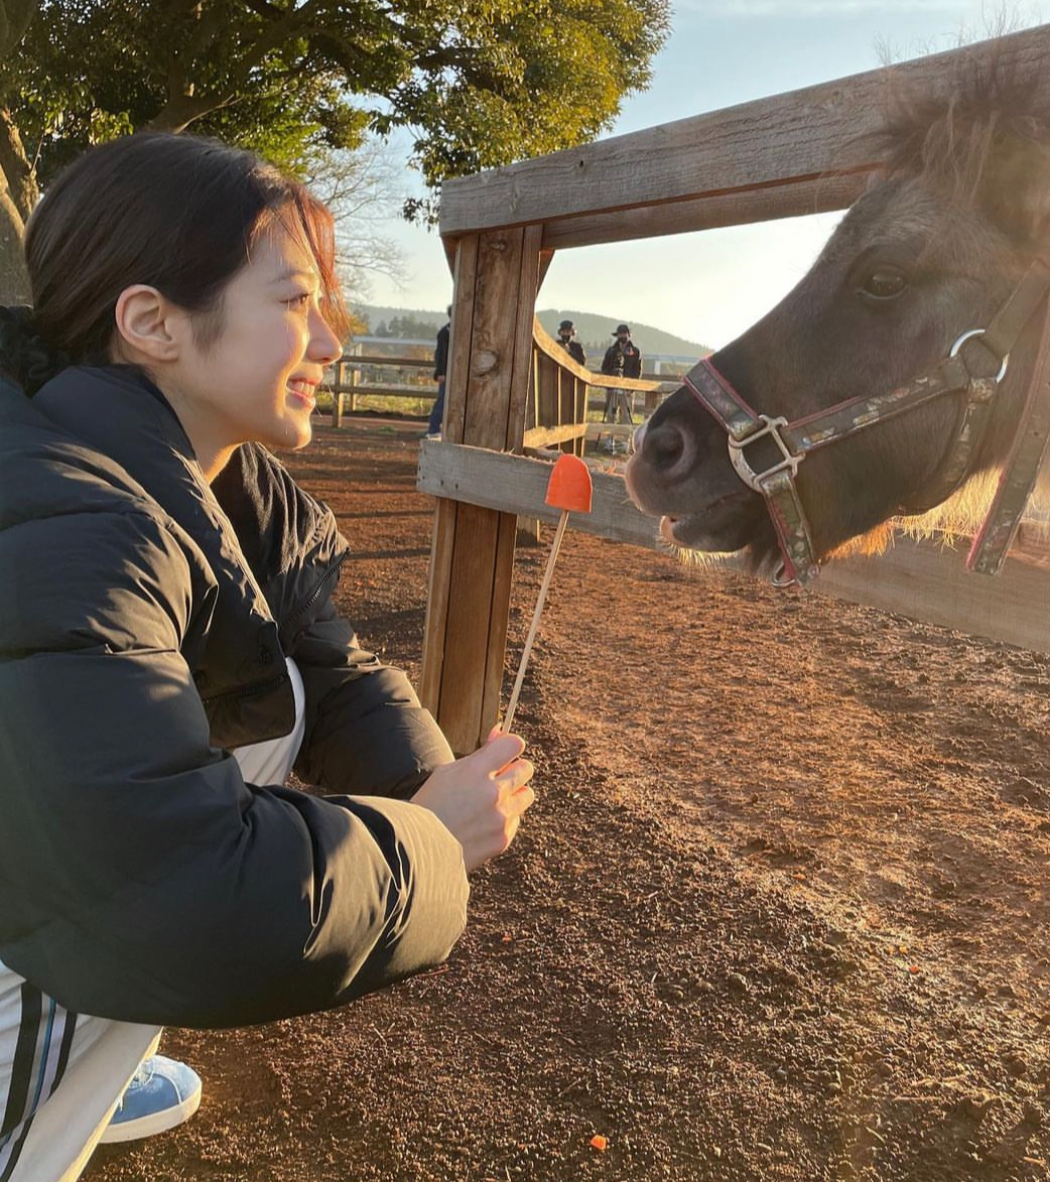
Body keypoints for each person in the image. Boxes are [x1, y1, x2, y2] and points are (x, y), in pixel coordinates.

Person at [0, 133, 535, 1182]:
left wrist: (418, 773)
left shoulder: (217, 487)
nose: (331, 344)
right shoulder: (80, 522)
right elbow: (176, 899)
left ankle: (98, 1054)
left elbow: (315, 664)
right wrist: (426, 839)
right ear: (152, 321)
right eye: (295, 302)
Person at [600, 324, 642, 424]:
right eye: (620, 334)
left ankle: (626, 438)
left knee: (626, 415)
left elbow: (637, 371)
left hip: (627, 388)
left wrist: (632, 388)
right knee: (611, 414)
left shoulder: (635, 352)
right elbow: (604, 368)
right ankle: (609, 437)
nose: (622, 336)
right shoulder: (611, 351)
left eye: (624, 334)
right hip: (612, 386)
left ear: (628, 335)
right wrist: (609, 383)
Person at [425, 307, 450, 438]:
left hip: (447, 372)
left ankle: (435, 427)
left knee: (444, 399)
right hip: (446, 373)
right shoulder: (446, 333)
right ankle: (434, 428)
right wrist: (441, 372)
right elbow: (441, 354)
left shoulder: (447, 331)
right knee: (442, 400)